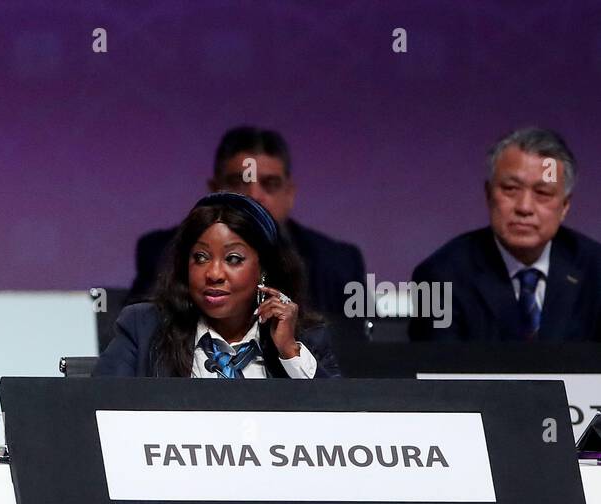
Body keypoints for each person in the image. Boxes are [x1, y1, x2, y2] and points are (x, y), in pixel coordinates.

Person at [129, 127, 367, 344]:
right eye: (240, 183)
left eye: (270, 184)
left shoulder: (338, 263)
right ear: (214, 189)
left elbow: (366, 357)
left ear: (290, 193)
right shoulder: (163, 253)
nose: (254, 195)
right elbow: (138, 343)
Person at [97, 192, 340, 378]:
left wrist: (289, 351)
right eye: (200, 258)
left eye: (233, 259)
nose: (213, 273)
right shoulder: (143, 327)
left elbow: (342, 425)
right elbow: (96, 411)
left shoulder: (304, 337)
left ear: (264, 268)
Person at [409, 127, 601, 342]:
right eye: (510, 189)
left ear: (565, 206)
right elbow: (437, 370)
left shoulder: (595, 270)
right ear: (488, 194)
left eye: (542, 193)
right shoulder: (442, 276)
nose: (525, 207)